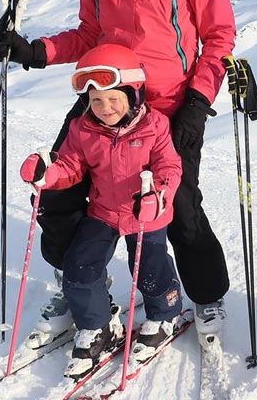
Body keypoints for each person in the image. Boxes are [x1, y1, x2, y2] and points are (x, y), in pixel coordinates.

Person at [0, 0, 235, 348]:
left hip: (168, 104)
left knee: (178, 203)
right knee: (59, 192)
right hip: (103, 94)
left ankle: (205, 294)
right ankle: (81, 283)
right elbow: (88, 33)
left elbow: (219, 37)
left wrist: (196, 102)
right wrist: (35, 51)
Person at [20, 44, 185, 378]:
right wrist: (47, 173)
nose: (104, 108)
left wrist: (158, 194)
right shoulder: (83, 129)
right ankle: (99, 326)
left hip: (147, 213)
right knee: (79, 266)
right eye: (96, 101)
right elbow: (71, 165)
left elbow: (170, 166)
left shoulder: (155, 127)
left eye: (113, 99)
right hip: (104, 212)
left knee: (151, 266)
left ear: (133, 95)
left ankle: (165, 312)